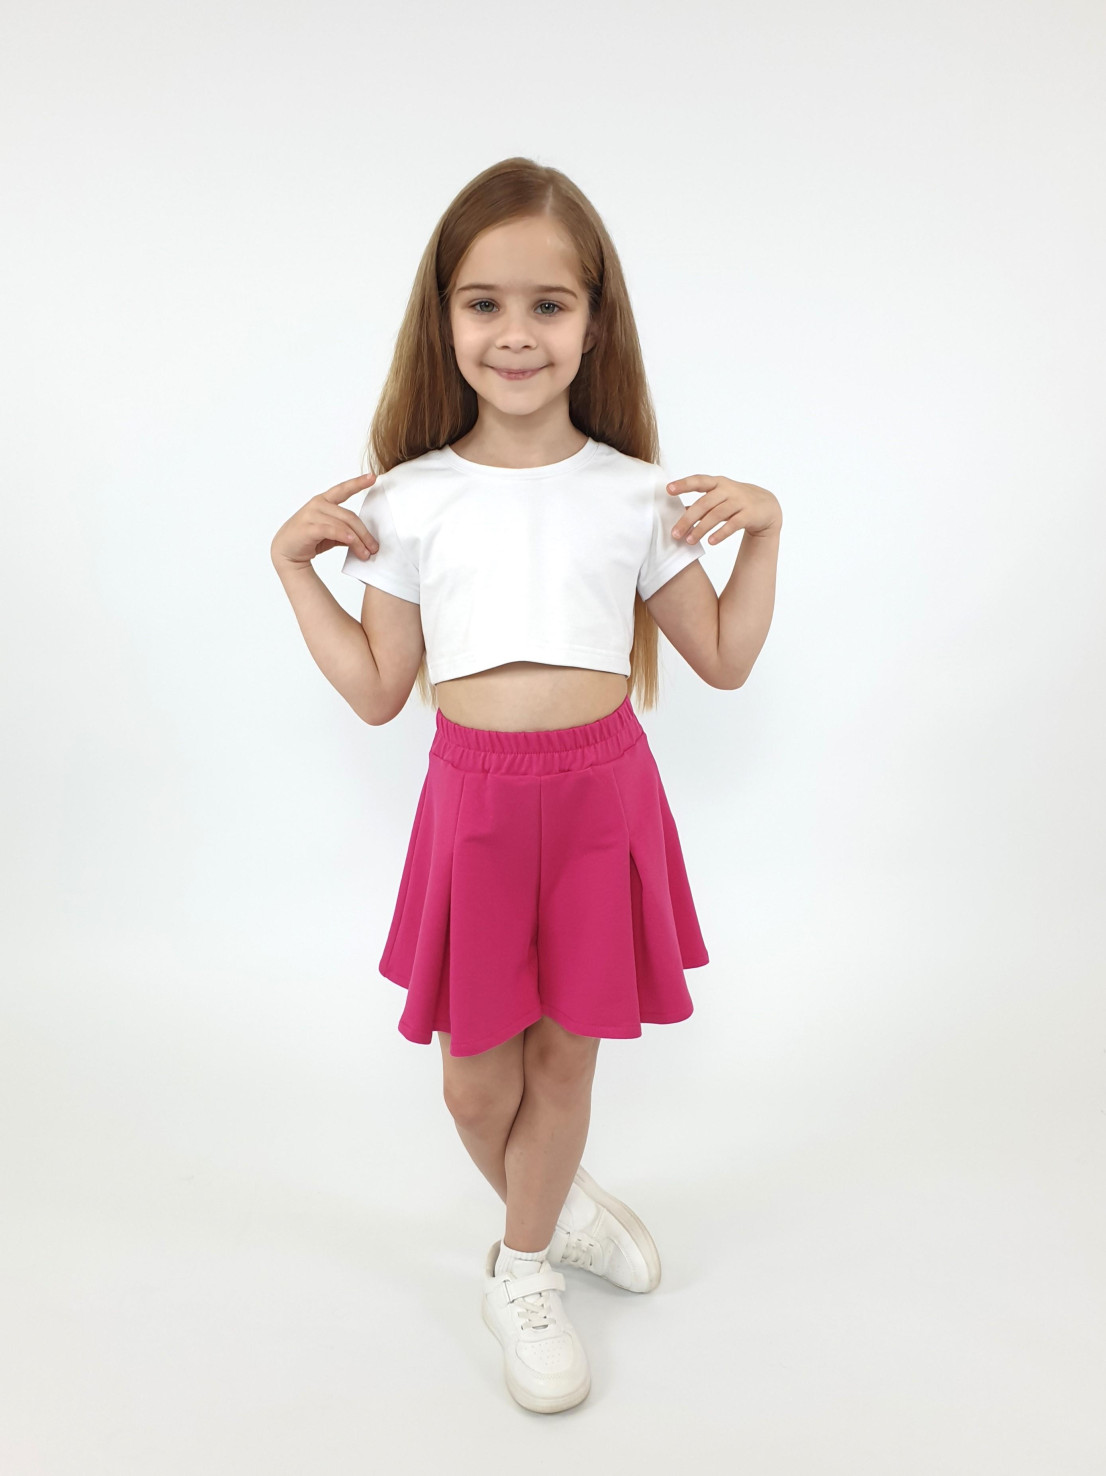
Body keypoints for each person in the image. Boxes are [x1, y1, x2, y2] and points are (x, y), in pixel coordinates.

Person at [270, 156, 782, 1415]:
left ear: (592, 322)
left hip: (602, 795)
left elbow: (721, 659)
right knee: (473, 1082)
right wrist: (293, 572)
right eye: (483, 303)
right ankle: (555, 1205)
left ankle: (524, 1265)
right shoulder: (408, 501)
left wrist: (763, 531)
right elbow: (379, 689)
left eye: (547, 305)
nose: (515, 333)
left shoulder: (634, 495)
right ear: (442, 319)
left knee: (561, 1065)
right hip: (477, 804)